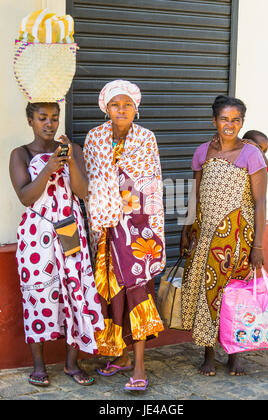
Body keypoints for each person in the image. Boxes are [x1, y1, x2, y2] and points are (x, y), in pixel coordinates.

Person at [9, 102, 104, 387]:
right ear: (30, 120)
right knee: (38, 296)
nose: (49, 124)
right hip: (36, 236)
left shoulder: (72, 149)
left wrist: (71, 161)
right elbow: (26, 196)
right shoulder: (20, 154)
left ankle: (71, 363)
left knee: (76, 293)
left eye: (54, 117)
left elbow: (83, 191)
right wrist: (49, 168)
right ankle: (39, 365)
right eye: (42, 118)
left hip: (70, 230)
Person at [83, 79, 165, 391]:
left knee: (137, 291)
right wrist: (109, 204)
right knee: (112, 293)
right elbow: (91, 184)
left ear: (136, 108)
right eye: (115, 104)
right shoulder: (94, 138)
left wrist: (131, 213)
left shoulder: (146, 138)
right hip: (105, 229)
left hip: (137, 229)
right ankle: (120, 355)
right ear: (105, 107)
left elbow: (150, 184)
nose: (121, 109)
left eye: (127, 104)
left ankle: (140, 365)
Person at [180, 95, 267, 376]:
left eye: (235, 120)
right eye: (224, 119)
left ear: (242, 122)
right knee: (207, 295)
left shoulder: (252, 155)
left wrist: (258, 245)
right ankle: (208, 353)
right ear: (214, 121)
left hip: (238, 240)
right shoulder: (202, 152)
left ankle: (235, 354)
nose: (229, 125)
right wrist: (186, 229)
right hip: (206, 238)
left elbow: (260, 202)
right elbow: (194, 195)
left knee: (235, 297)